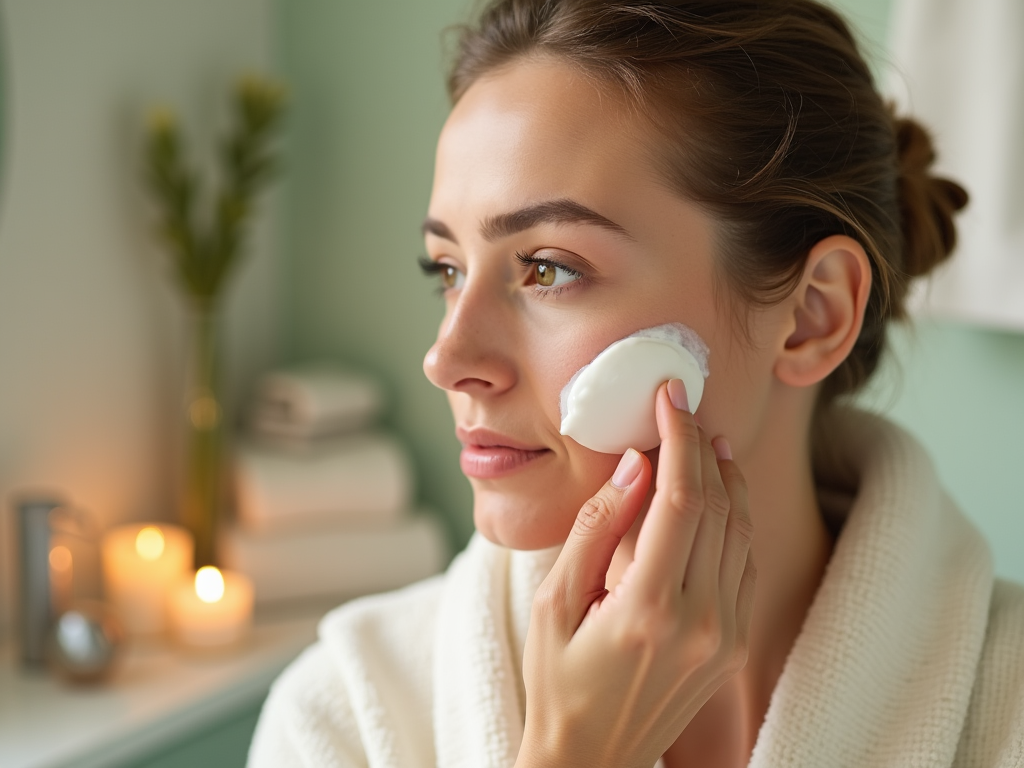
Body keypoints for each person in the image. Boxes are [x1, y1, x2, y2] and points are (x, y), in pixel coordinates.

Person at [248, 1, 1024, 766]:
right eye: (446, 270)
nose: (447, 358)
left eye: (549, 268)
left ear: (812, 315)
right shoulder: (342, 718)